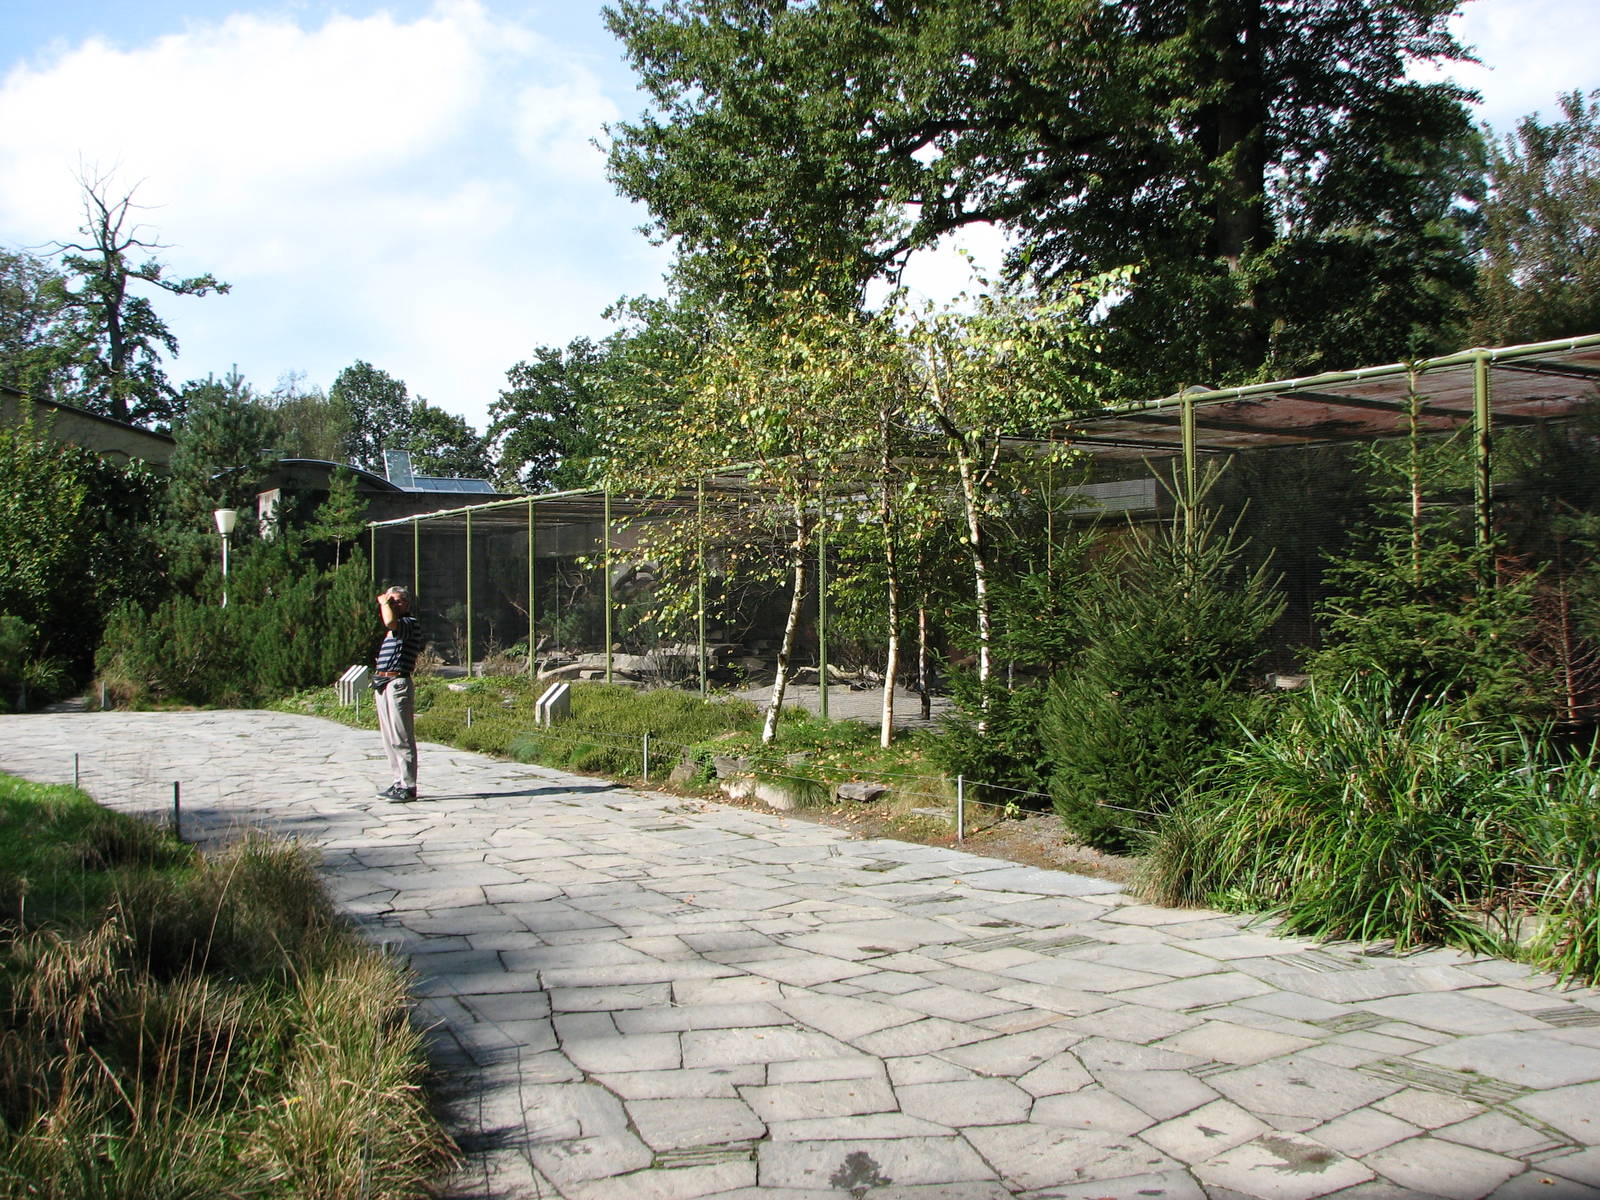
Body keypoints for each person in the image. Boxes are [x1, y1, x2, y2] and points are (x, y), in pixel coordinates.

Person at [372, 585, 423, 801]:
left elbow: (390, 621)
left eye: (397, 601)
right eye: (391, 602)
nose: (393, 605)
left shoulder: (408, 624)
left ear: (406, 604)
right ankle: (397, 782)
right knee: (388, 739)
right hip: (383, 683)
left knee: (401, 737)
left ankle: (408, 786)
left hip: (397, 683)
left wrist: (385, 603)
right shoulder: (395, 628)